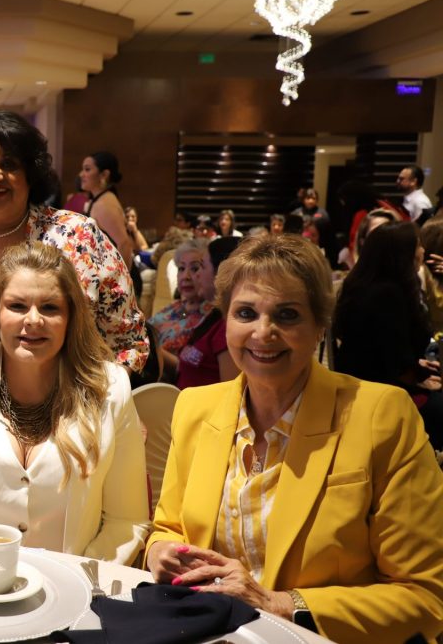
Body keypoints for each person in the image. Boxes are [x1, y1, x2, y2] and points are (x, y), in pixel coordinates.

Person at [146, 234, 443, 643]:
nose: (263, 332)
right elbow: (168, 527)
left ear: (320, 325)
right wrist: (159, 551)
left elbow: (425, 597)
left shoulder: (382, 416)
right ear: (225, 319)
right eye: (246, 313)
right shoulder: (195, 407)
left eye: (287, 315)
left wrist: (281, 603)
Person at [0, 243, 149, 562]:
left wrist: (80, 579)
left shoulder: (111, 388)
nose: (33, 320)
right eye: (17, 306)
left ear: (71, 318)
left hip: (75, 586)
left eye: (50, 308)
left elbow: (126, 522)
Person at [0, 110, 147, 376]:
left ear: (30, 173)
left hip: (62, 401)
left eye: (9, 164)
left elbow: (128, 340)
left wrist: (99, 393)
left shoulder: (77, 235)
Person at [332, 221, 443, 449]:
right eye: (418, 245)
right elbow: (394, 358)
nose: (423, 251)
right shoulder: (387, 295)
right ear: (401, 254)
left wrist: (416, 367)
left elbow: (385, 349)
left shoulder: (365, 284)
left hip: (363, 379)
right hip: (375, 391)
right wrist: (417, 377)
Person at [175, 236, 241, 389]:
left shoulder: (228, 328)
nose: (197, 275)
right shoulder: (215, 316)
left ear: (222, 273)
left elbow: (231, 394)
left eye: (202, 267)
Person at [147, 239, 216, 376]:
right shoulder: (174, 307)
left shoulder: (212, 317)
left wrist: (152, 349)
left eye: (195, 268)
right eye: (181, 269)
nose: (186, 276)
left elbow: (186, 368)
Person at [80, 151, 135, 272]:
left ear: (104, 174)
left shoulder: (104, 204)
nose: (81, 174)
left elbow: (125, 244)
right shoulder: (100, 199)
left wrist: (121, 280)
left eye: (87, 169)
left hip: (118, 275)